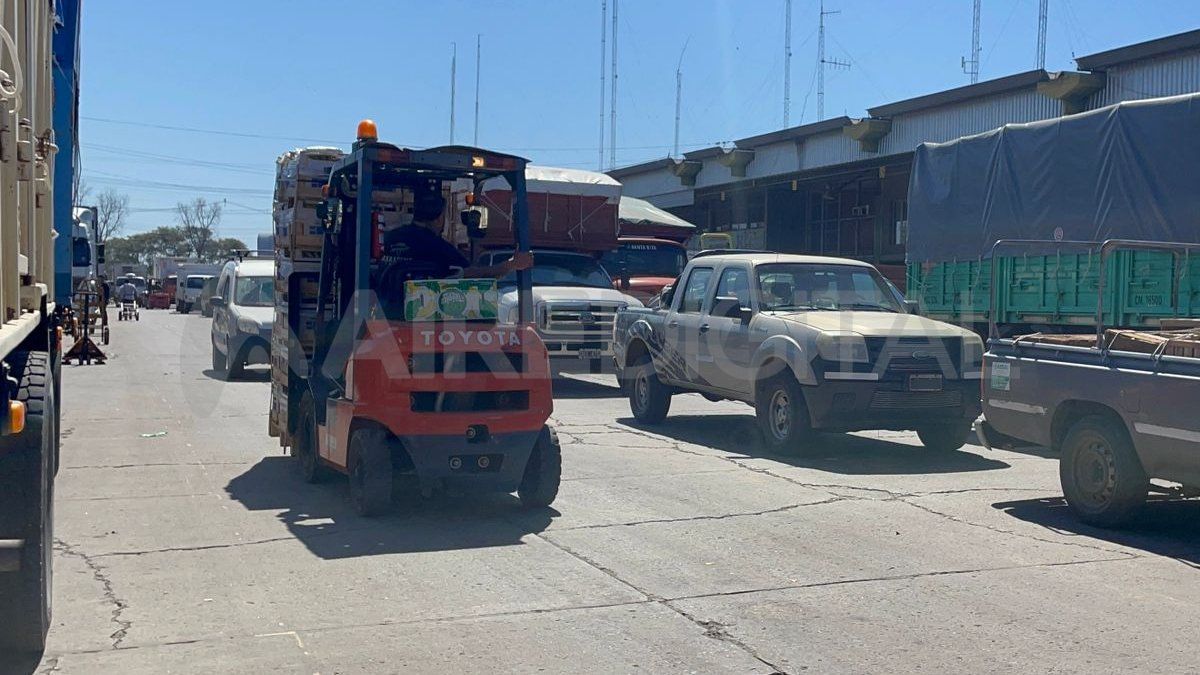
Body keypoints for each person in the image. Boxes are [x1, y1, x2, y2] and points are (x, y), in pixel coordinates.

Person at [380, 185, 532, 280]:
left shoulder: (390, 238)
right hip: (427, 320)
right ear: (439, 218)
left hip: (384, 312)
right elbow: (474, 274)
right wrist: (511, 265)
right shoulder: (439, 248)